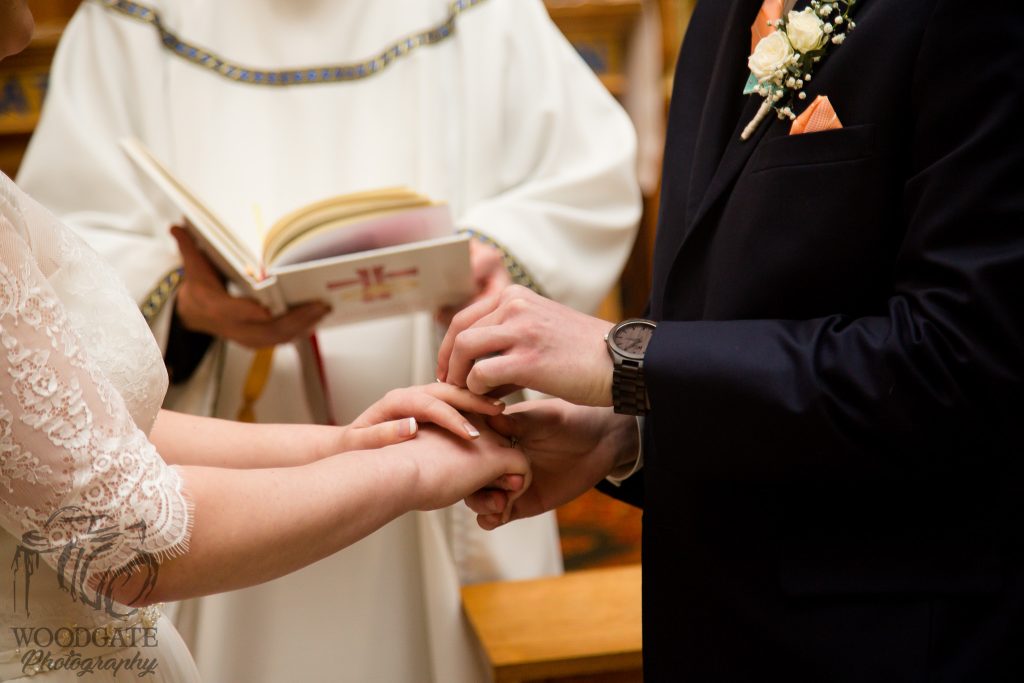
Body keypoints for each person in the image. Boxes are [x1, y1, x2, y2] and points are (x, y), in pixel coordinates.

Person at [16, 0, 641, 680]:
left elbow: (584, 180)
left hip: (445, 406)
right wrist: (186, 305)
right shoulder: (133, 18)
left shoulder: (477, 11)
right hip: (223, 457)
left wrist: (493, 260)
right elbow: (57, 269)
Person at [440, 0, 1024, 680]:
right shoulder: (719, 14)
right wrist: (628, 433)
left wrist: (626, 358)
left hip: (885, 640)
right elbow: (722, 311)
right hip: (703, 624)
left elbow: (958, 363)